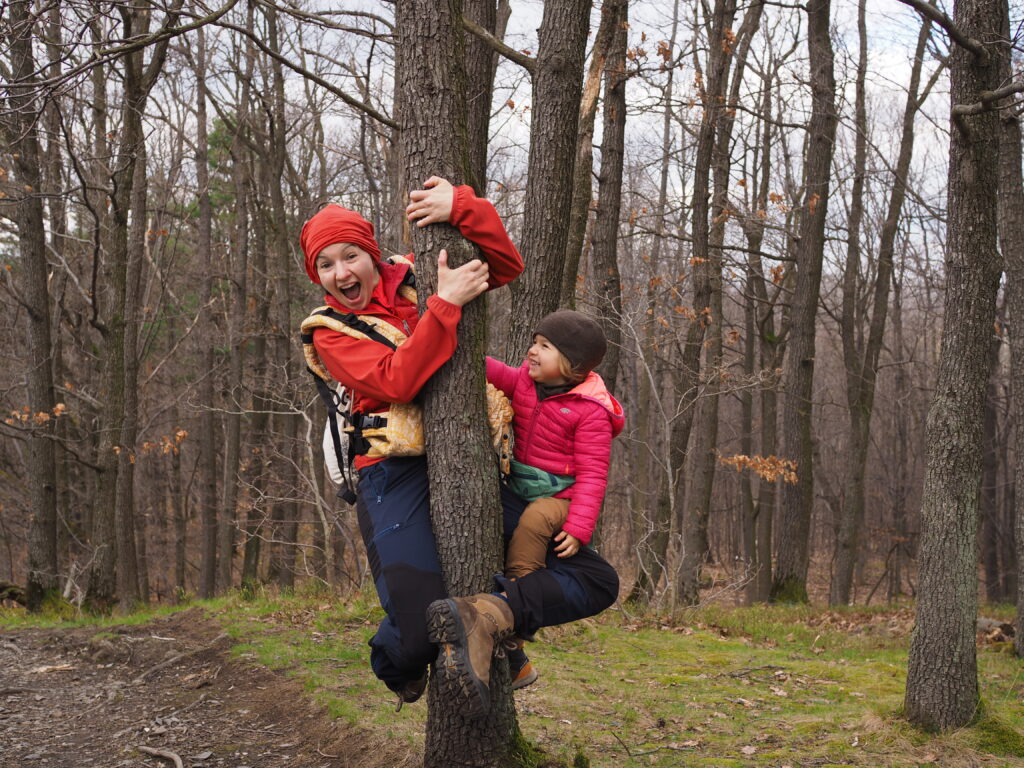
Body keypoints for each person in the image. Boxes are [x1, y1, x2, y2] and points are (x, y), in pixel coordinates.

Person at [300, 177, 619, 719]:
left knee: (597, 580)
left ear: (371, 253)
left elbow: (506, 266)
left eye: (351, 255)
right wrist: (444, 305)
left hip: (466, 462)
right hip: (389, 473)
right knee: (422, 635)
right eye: (325, 265)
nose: (341, 274)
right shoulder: (331, 331)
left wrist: (464, 209)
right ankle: (393, 661)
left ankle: (492, 616)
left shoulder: (419, 271)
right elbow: (398, 382)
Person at [486, 310, 624, 580]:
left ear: (571, 363)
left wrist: (578, 528)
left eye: (544, 346)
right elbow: (499, 373)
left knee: (536, 520)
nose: (532, 351)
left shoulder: (590, 410)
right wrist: (468, 358)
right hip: (525, 481)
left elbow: (592, 475)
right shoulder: (527, 381)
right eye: (534, 342)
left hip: (563, 495)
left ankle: (522, 582)